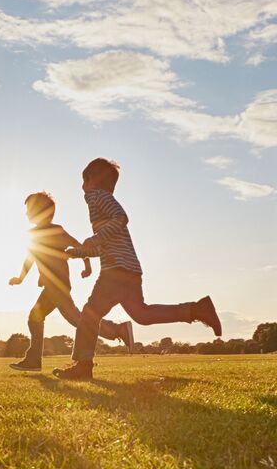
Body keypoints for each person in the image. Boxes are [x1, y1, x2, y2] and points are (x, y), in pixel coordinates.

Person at [54, 158, 221, 381]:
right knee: (142, 314)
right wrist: (78, 252)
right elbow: (104, 246)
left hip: (115, 271)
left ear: (91, 180)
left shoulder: (97, 197)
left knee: (89, 314)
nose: (82, 187)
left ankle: (83, 366)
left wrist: (95, 238)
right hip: (130, 270)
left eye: (83, 181)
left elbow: (121, 218)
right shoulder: (102, 202)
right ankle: (197, 309)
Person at [8, 192, 133, 371]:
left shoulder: (54, 231)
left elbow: (79, 246)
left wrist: (87, 265)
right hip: (53, 286)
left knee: (73, 318)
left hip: (57, 286)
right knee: (39, 318)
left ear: (40, 211)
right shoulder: (37, 233)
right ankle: (33, 360)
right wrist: (23, 278)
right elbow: (33, 257)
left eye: (29, 209)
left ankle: (117, 330)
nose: (26, 213)